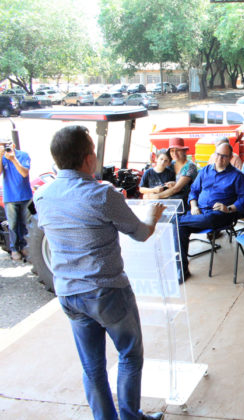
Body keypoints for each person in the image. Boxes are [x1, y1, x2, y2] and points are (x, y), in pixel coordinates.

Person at [34, 125, 165, 420]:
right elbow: (141, 233)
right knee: (130, 355)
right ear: (87, 159)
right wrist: (152, 216)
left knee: (92, 367)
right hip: (106, 291)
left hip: (68, 293)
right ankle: (130, 416)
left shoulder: (42, 195)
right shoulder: (101, 194)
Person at [177, 142, 244, 277]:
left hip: (221, 214)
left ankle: (178, 220)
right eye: (217, 154)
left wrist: (228, 208)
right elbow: (193, 190)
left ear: (230, 158)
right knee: (181, 228)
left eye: (224, 156)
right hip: (199, 212)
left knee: (189, 221)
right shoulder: (205, 171)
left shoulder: (237, 176)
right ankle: (182, 269)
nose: (219, 158)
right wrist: (193, 205)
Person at [0, 140, 32, 261]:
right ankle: (14, 249)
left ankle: (26, 247)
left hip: (26, 196)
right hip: (10, 197)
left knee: (27, 223)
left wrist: (13, 159)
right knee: (13, 225)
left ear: (13, 145)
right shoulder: (3, 157)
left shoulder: (23, 155)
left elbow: (24, 173)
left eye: (8, 145)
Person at [147, 137, 197, 211]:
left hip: (185, 200)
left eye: (178, 150)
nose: (174, 153)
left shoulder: (190, 166)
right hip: (168, 197)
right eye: (172, 151)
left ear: (184, 151)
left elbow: (176, 188)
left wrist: (157, 196)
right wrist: (150, 193)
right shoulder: (170, 164)